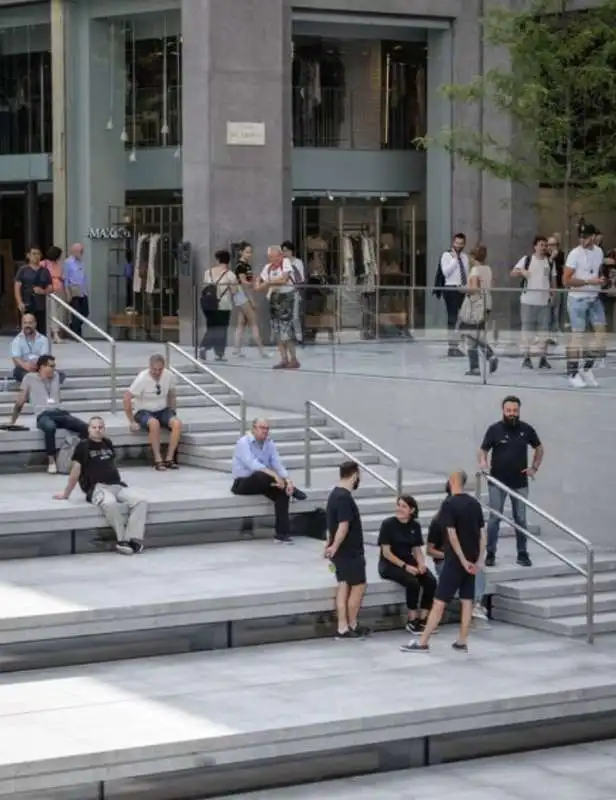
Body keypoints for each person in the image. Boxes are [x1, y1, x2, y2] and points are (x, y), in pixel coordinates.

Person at [401, 470, 486, 653]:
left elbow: (452, 534)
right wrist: (478, 560)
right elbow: (482, 534)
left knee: (439, 602)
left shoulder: (449, 504)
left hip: (455, 562)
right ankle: (462, 641)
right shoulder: (474, 504)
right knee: (467, 601)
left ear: (452, 481)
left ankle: (423, 642)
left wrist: (462, 560)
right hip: (471, 561)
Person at [52, 416, 147, 555]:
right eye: (94, 427)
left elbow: (111, 464)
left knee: (141, 501)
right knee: (110, 503)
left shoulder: (108, 442)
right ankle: (122, 540)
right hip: (98, 488)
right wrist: (66, 493)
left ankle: (132, 539)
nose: (97, 430)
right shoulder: (82, 446)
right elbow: (75, 472)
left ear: (104, 429)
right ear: (89, 429)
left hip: (117, 486)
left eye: (100, 427)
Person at [479, 395, 543, 568]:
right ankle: (490, 553)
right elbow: (483, 451)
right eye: (509, 410)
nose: (512, 413)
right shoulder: (494, 429)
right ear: (503, 411)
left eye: (515, 410)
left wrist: (534, 468)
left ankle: (522, 553)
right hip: (497, 482)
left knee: (520, 519)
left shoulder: (526, 429)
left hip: (520, 482)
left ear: (519, 410)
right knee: (494, 518)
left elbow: (539, 448)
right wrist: (484, 466)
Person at [231, 418, 307, 544]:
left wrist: (288, 480)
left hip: (264, 483)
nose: (265, 431)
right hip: (243, 483)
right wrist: (275, 476)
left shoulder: (269, 443)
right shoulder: (243, 443)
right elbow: (252, 464)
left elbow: (277, 462)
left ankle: (282, 534)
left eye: (267, 428)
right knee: (261, 474)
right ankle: (294, 491)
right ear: (254, 428)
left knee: (282, 493)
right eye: (262, 428)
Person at [9, 354, 88, 474]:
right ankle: (51, 461)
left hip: (59, 412)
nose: (53, 369)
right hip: (43, 414)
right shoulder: (29, 378)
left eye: (54, 366)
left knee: (85, 427)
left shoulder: (56, 376)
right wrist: (12, 421)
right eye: (50, 366)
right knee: (49, 427)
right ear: (41, 367)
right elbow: (20, 401)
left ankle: (80, 458)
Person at [427, 481, 488, 621]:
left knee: (476, 571)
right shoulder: (438, 521)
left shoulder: (467, 521)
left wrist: (476, 560)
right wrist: (449, 555)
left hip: (463, 560)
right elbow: (430, 550)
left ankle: (475, 604)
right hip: (445, 561)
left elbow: (481, 535)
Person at [378, 495, 437, 634]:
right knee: (413, 582)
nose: (399, 508)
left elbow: (417, 549)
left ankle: (423, 619)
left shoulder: (414, 525)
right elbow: (386, 553)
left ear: (412, 510)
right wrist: (405, 566)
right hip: (390, 564)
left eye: (403, 506)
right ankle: (411, 620)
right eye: (398, 505)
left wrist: (421, 564)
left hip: (408, 560)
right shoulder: (387, 524)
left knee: (430, 581)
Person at [325, 461, 369, 639]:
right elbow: (343, 525)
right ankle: (350, 624)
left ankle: (344, 626)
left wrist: (329, 545)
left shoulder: (334, 495)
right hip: (349, 551)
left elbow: (331, 525)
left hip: (340, 552)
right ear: (355, 474)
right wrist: (334, 545)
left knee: (343, 586)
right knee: (357, 586)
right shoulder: (344, 498)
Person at [564, 223, 606, 388]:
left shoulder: (599, 252)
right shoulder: (574, 254)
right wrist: (589, 281)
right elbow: (566, 280)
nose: (583, 240)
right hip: (577, 299)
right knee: (578, 337)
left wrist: (602, 280)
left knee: (601, 335)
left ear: (593, 237)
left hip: (594, 298)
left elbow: (598, 271)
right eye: (581, 237)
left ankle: (587, 368)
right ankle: (572, 372)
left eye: (586, 237)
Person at [123, 353, 183, 470]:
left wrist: (173, 412)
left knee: (177, 423)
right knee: (154, 423)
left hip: (162, 409)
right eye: (154, 369)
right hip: (144, 411)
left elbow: (172, 394)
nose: (157, 372)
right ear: (150, 367)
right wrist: (131, 421)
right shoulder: (142, 378)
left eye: (160, 369)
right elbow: (126, 398)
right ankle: (157, 459)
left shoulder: (168, 375)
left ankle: (169, 458)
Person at [511, 235, 553, 370]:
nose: (543, 248)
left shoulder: (550, 262)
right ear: (535, 246)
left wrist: (553, 295)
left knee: (544, 331)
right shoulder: (527, 260)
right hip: (528, 300)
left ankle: (543, 358)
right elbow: (513, 273)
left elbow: (553, 280)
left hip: (544, 302)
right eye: (541, 245)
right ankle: (526, 357)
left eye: (545, 245)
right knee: (527, 330)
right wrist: (521, 271)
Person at [256, 245, 300, 369]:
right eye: (270, 257)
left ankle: (294, 359)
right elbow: (260, 282)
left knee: (286, 331)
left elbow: (284, 279)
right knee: (277, 331)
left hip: (286, 297)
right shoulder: (268, 267)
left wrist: (268, 283)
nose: (272, 259)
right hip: (274, 298)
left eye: (274, 256)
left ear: (280, 255)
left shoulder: (285, 262)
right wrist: (259, 282)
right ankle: (284, 359)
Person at [458, 244, 498, 377]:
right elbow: (490, 285)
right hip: (487, 303)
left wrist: (462, 289)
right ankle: (489, 356)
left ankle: (476, 366)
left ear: (473, 257)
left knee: (470, 335)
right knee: (478, 333)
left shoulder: (475, 270)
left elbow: (474, 289)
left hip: (475, 305)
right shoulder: (488, 269)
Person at [198, 249, 237, 362]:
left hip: (208, 304)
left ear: (217, 260)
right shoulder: (230, 275)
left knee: (211, 327)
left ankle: (207, 348)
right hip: (223, 305)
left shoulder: (207, 272)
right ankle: (216, 351)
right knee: (221, 328)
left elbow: (205, 287)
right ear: (228, 261)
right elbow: (234, 291)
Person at [232, 241, 269, 359]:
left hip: (243, 294)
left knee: (241, 323)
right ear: (241, 252)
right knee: (253, 321)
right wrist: (252, 297)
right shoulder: (240, 265)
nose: (249, 254)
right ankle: (262, 350)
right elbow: (243, 283)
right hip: (242, 294)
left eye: (250, 252)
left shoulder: (247, 265)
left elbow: (248, 283)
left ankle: (236, 350)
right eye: (247, 252)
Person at [436, 232, 469, 358]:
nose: (459, 246)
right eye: (456, 243)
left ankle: (457, 343)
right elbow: (446, 273)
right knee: (452, 317)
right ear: (453, 243)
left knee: (463, 317)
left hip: (462, 289)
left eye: (461, 243)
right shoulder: (446, 255)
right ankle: (452, 347)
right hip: (450, 288)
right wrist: (455, 259)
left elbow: (466, 273)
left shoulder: (465, 257)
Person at [14, 246, 51, 335]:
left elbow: (50, 287)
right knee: (27, 330)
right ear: (28, 256)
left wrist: (43, 291)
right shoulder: (23, 270)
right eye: (33, 254)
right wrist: (19, 302)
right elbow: (17, 287)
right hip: (27, 304)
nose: (36, 256)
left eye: (38, 254)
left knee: (41, 330)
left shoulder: (45, 271)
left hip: (40, 305)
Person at [10, 313, 50, 383]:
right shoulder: (17, 340)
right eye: (25, 323)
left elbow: (45, 357)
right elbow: (16, 358)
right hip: (24, 368)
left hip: (40, 367)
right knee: (18, 372)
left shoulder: (43, 340)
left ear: (35, 324)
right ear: (22, 325)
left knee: (56, 373)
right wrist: (26, 366)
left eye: (30, 323)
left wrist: (37, 367)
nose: (27, 325)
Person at [281, 240, 305, 345]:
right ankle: (286, 337)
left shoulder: (298, 262)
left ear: (292, 251)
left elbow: (301, 278)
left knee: (295, 316)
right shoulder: (281, 263)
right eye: (283, 251)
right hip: (284, 292)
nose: (285, 253)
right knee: (285, 316)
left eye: (287, 251)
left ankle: (299, 337)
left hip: (294, 291)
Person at [63, 243, 89, 338]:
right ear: (74, 252)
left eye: (82, 251)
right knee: (76, 313)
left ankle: (73, 327)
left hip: (83, 290)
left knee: (85, 313)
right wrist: (67, 293)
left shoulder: (82, 262)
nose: (82, 253)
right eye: (80, 251)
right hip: (73, 289)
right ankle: (77, 334)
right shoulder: (68, 262)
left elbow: (83, 277)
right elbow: (65, 279)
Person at [42, 245, 65, 344]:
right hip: (49, 292)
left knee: (57, 313)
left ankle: (55, 334)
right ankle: (54, 334)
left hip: (58, 291)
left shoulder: (58, 265)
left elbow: (61, 277)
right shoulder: (44, 264)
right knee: (52, 313)